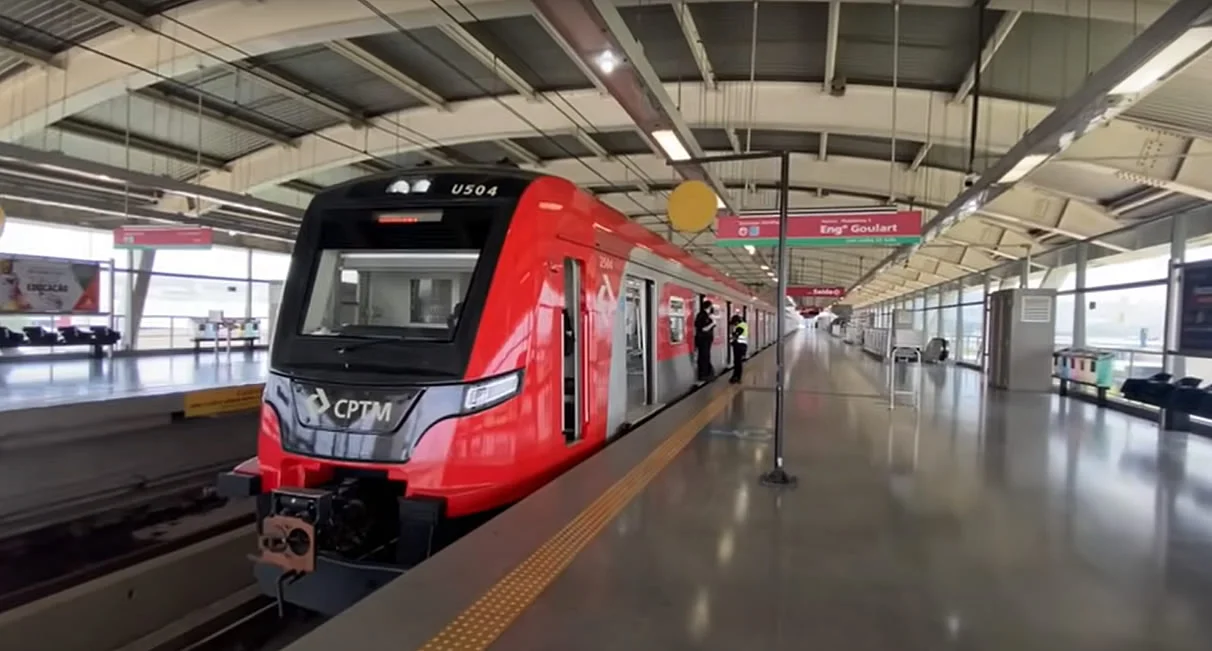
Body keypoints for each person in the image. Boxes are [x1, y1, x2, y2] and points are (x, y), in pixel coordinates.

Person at [694, 300, 716, 381]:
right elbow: (703, 329)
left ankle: (707, 373)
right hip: (703, 340)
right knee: (704, 356)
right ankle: (703, 375)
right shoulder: (701, 315)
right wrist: (712, 324)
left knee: (705, 356)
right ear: (709, 307)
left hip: (706, 340)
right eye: (711, 307)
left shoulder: (707, 315)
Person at [729, 313, 749, 384]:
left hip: (739, 346)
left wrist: (732, 336)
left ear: (736, 322)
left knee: (737, 362)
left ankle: (737, 377)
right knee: (738, 362)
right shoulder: (744, 324)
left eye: (734, 323)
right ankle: (736, 376)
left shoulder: (740, 326)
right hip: (742, 346)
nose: (734, 325)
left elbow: (736, 335)